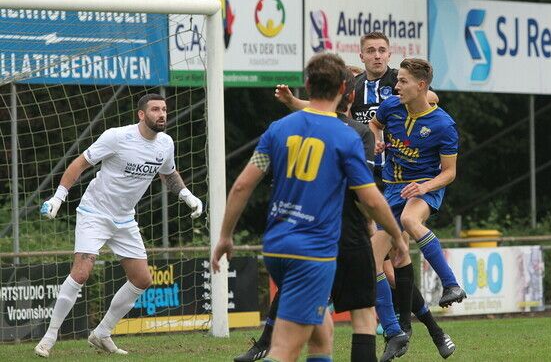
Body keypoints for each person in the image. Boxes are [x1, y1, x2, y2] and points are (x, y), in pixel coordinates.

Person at [211, 53, 409, 362]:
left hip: (276, 248)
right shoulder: (346, 137)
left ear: (306, 84)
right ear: (347, 89)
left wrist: (224, 236)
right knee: (286, 349)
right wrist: (396, 238)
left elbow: (241, 185)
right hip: (312, 253)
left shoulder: (278, 129)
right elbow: (369, 198)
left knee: (321, 333)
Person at [33, 94, 203, 358]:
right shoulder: (116, 137)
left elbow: (167, 172)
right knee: (81, 273)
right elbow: (80, 163)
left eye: (165, 110)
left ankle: (101, 333)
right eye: (156, 109)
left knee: (142, 279)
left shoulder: (166, 143)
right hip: (94, 212)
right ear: (141, 115)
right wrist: (58, 196)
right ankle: (49, 337)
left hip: (125, 218)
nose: (162, 114)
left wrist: (185, 195)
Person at [368, 58, 465, 359]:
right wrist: (377, 140)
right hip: (392, 190)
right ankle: (394, 332)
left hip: (423, 187)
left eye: (403, 81)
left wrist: (425, 187)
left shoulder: (443, 124)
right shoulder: (391, 108)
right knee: (371, 259)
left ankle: (451, 284)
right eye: (397, 81)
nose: (396, 86)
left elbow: (449, 173)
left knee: (411, 218)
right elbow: (374, 124)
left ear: (421, 86)